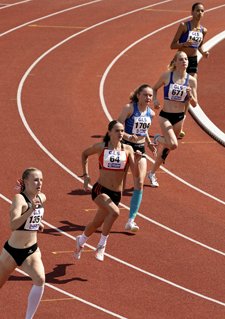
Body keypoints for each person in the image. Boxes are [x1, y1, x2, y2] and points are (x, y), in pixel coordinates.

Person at [74, 120, 142, 262]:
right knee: (115, 212)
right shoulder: (101, 147)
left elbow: (135, 174)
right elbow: (84, 154)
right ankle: (101, 245)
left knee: (96, 223)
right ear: (109, 132)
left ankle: (80, 241)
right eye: (117, 130)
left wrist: (136, 161)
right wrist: (86, 175)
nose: (120, 133)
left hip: (116, 194)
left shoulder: (128, 149)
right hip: (100, 189)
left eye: (122, 131)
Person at [0, 168, 46, 319]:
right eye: (35, 180)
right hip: (12, 252)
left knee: (40, 279)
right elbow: (13, 225)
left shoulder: (42, 197)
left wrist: (37, 223)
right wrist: (30, 211)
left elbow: (32, 219)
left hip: (31, 251)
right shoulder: (19, 199)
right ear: (26, 182)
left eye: (40, 179)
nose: (39, 183)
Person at [147, 50, 197, 186]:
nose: (184, 61)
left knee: (166, 150)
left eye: (186, 59)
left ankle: (151, 174)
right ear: (175, 63)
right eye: (181, 59)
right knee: (173, 144)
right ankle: (157, 138)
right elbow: (154, 88)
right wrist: (155, 101)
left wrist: (190, 95)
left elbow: (195, 104)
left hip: (179, 117)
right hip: (166, 116)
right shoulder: (166, 77)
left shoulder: (191, 81)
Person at [117, 84, 157, 231]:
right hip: (125, 147)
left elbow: (144, 130)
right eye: (145, 95)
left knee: (139, 183)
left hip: (140, 149)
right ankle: (112, 210)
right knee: (119, 185)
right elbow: (116, 125)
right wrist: (127, 136)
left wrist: (149, 143)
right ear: (138, 95)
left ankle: (131, 220)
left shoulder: (151, 113)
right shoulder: (129, 108)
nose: (148, 98)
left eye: (150, 96)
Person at [170, 2, 209, 137]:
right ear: (192, 12)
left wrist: (203, 53)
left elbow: (200, 46)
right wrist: (183, 44)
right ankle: (170, 118)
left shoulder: (203, 30)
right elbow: (172, 45)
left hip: (192, 62)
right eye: (197, 10)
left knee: (189, 92)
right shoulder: (184, 26)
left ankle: (180, 125)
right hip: (180, 59)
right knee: (174, 90)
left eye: (202, 11)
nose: (200, 13)